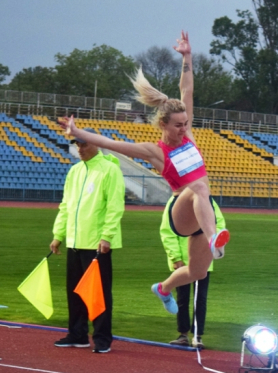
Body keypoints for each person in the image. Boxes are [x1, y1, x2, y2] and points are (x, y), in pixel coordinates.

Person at [58, 31, 229, 315]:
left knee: (198, 272)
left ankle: (163, 289)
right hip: (181, 211)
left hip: (202, 214)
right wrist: (77, 132)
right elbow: (112, 144)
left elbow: (187, 90)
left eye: (186, 123)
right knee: (199, 187)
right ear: (163, 124)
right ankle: (214, 238)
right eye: (178, 125)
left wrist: (187, 56)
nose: (184, 129)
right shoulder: (156, 151)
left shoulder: (190, 138)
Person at [50, 127, 126, 354]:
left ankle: (102, 339)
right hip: (74, 241)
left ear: (96, 143)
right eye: (77, 144)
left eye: (84, 144)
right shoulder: (74, 171)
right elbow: (66, 206)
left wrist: (107, 237)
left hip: (96, 243)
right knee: (74, 291)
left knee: (98, 293)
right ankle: (77, 334)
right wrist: (58, 234)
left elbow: (115, 207)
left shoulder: (110, 170)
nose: (80, 148)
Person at [161, 196, 225, 349]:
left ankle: (197, 335)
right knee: (182, 298)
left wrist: (214, 246)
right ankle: (183, 334)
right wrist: (175, 257)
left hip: (202, 259)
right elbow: (167, 231)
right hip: (182, 261)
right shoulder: (175, 201)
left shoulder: (208, 201)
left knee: (200, 299)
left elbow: (219, 223)